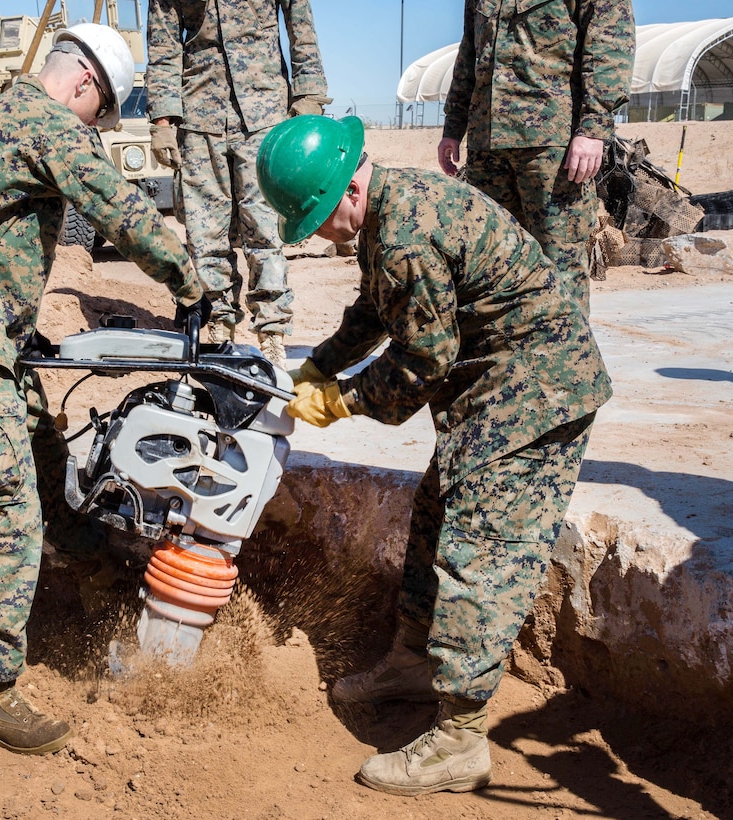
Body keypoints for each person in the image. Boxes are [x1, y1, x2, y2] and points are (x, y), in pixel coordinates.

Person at [257, 115, 612, 795]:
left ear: (346, 191)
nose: (318, 234)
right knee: (435, 512)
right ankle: (412, 661)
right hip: (498, 378)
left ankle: (459, 736)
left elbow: (422, 360)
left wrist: (339, 404)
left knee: (479, 549)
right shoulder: (393, 208)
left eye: (315, 218)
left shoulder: (404, 238)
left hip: (538, 386)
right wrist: (317, 370)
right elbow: (374, 311)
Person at [0, 23, 210, 756]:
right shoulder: (44, 122)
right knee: (2, 504)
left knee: (42, 455)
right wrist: (189, 286)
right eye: (97, 116)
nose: (92, 127)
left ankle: (97, 576)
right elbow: (118, 206)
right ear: (85, 87)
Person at [146, 0, 330, 369]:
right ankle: (217, 324)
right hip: (199, 110)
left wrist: (309, 92)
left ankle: (273, 331)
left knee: (265, 226)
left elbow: (300, 25)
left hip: (264, 110)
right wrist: (163, 119)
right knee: (204, 233)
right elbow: (163, 41)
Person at [437, 0, 635, 313]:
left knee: (560, 264)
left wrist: (594, 127)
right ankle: (503, 358)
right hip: (486, 144)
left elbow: (608, 43)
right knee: (491, 263)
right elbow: (469, 53)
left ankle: (569, 359)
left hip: (552, 146)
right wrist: (453, 126)